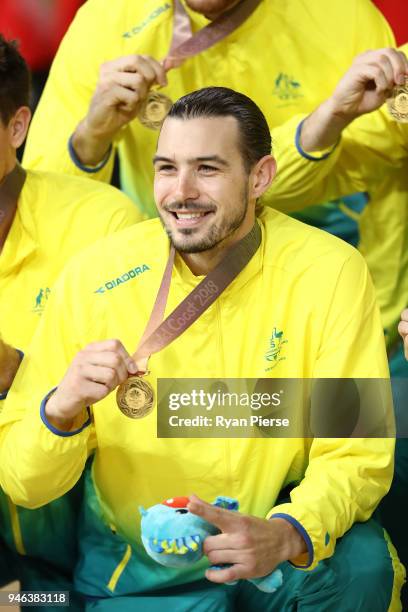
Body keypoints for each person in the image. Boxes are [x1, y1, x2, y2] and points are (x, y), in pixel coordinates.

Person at [0, 87, 403, 611]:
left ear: (259, 177)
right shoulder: (97, 274)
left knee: (363, 565)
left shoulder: (329, 271)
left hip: (277, 545)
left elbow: (355, 451)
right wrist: (60, 410)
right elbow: (24, 483)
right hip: (143, 566)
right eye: (167, 168)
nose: (180, 192)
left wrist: (289, 530)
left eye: (207, 169)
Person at [23, 0, 394, 234]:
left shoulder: (343, 16)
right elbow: (45, 201)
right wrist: (91, 136)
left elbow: (380, 160)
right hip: (167, 272)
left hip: (326, 268)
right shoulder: (108, 18)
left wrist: (324, 123)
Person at [0, 35, 142, 606]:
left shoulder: (102, 222)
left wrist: (20, 371)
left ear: (16, 127)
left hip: (95, 525)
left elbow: (143, 389)